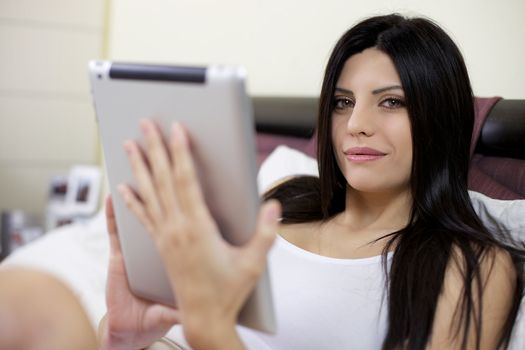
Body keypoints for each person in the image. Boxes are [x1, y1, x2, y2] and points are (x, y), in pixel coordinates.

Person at [98, 14, 524, 350]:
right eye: (342, 102)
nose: (356, 124)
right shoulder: (279, 202)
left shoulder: (470, 267)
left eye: (391, 102)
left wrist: (216, 335)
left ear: (441, 118)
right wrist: (122, 341)